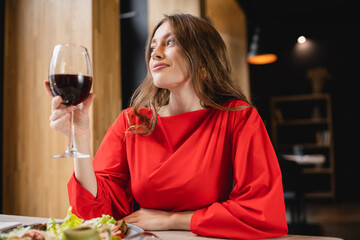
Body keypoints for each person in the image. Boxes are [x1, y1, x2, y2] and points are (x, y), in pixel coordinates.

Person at [45, 14, 288, 240]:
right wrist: (81, 139)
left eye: (170, 43)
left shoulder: (239, 118)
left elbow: (262, 212)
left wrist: (172, 219)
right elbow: (97, 214)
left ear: (203, 60)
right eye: (152, 47)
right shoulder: (131, 122)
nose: (155, 54)